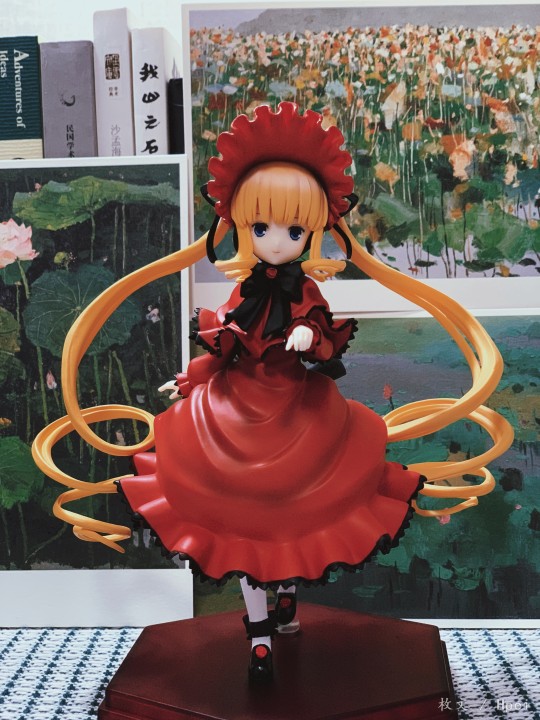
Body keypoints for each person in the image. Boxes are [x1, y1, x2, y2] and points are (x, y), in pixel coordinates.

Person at [32, 102, 513, 681]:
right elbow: (223, 349)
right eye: (261, 228)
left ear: (313, 232)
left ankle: (286, 599)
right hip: (230, 415)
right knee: (239, 524)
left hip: (298, 414)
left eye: (293, 230)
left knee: (297, 516)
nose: (276, 241)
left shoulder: (306, 292)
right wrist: (192, 378)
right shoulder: (243, 292)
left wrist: (310, 336)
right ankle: (258, 632)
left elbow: (325, 344)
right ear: (241, 226)